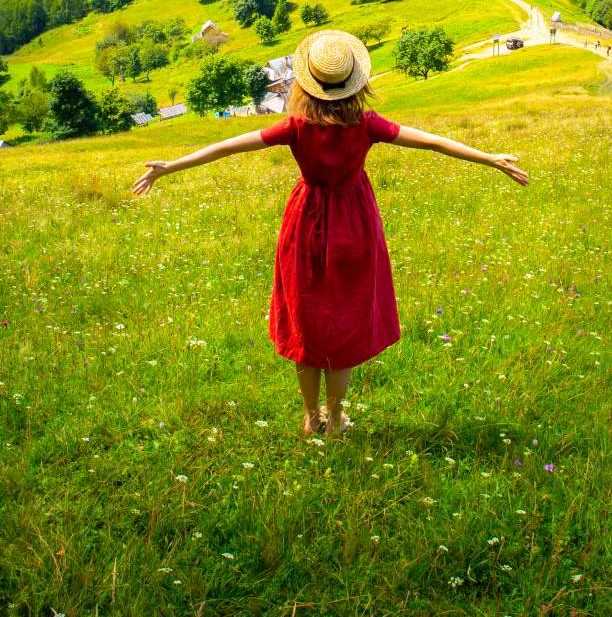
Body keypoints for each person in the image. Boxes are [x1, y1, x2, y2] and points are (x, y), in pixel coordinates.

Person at [131, 28, 527, 437]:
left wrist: (170, 167)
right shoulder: (367, 124)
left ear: (308, 83)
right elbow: (432, 143)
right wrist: (489, 158)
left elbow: (230, 145)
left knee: (307, 321)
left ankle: (310, 416)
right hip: (354, 229)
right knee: (343, 322)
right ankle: (336, 420)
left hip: (305, 226)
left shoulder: (296, 127)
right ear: (355, 83)